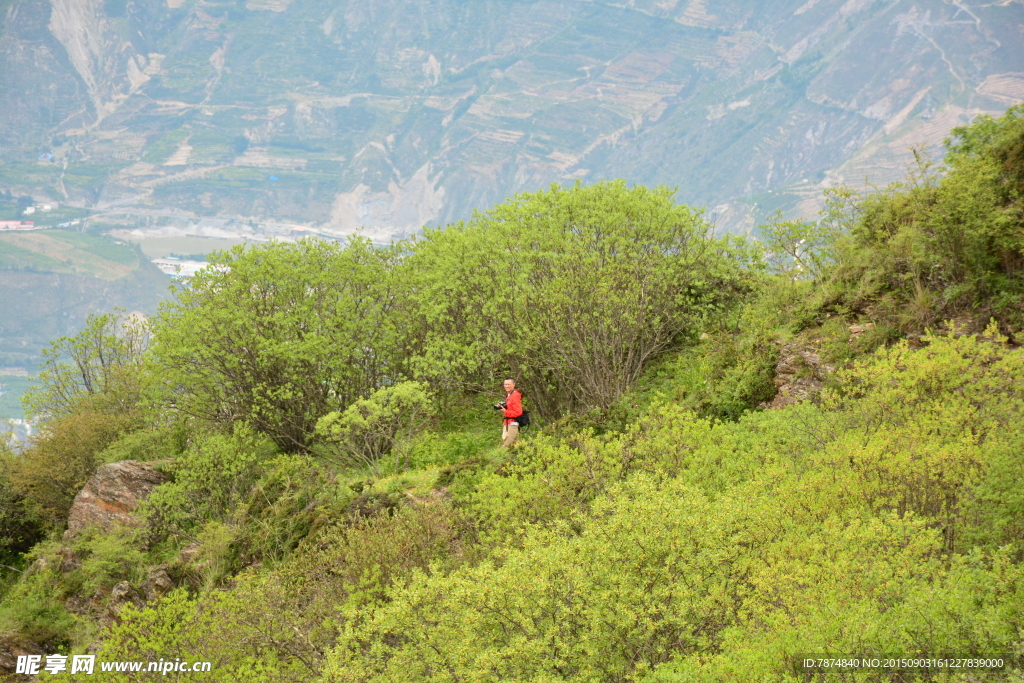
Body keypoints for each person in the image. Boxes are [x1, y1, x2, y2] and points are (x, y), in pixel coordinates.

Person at [494, 378, 523, 447]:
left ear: (514, 385)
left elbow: (518, 412)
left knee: (505, 446)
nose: (507, 386)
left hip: (512, 424)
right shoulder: (509, 395)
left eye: (509, 384)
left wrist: (505, 411)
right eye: (505, 384)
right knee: (514, 447)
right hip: (508, 423)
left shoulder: (515, 395)